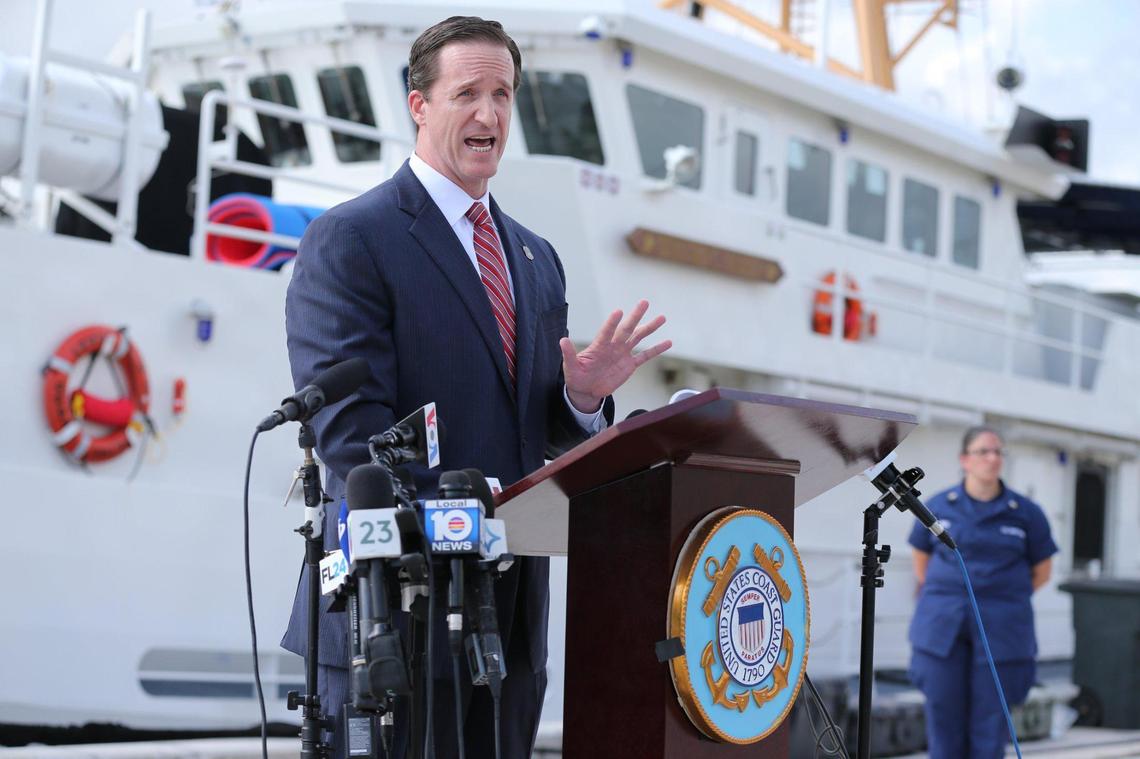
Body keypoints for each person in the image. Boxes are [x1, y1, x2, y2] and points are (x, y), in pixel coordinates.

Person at [280, 15, 671, 759]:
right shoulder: (352, 238)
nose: (489, 114)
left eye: (503, 94)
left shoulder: (536, 256)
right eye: (467, 93)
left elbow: (538, 439)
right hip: (390, 610)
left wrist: (580, 401)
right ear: (419, 106)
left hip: (511, 612)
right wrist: (460, 509)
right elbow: (349, 435)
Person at [908, 426, 1058, 759]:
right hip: (942, 629)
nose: (992, 458)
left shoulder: (1026, 514)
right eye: (983, 451)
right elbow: (922, 562)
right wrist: (952, 597)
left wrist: (998, 600)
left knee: (990, 731)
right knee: (943, 727)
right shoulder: (936, 506)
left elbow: (1042, 572)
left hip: (1001, 632)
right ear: (965, 459)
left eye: (998, 452)